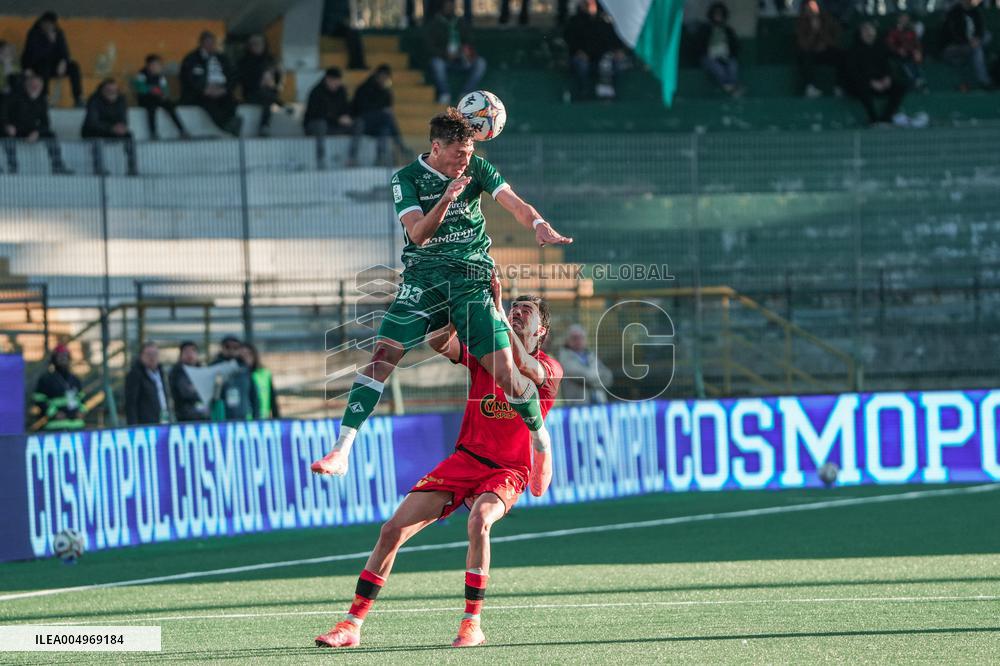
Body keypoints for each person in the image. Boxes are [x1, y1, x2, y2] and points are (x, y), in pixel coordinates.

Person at [310, 108, 572, 479]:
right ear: (436, 148)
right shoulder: (406, 178)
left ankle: (541, 441)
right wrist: (446, 198)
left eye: (469, 154)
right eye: (459, 155)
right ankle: (341, 450)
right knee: (382, 355)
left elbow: (516, 205)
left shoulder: (477, 169)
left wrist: (539, 224)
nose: (466, 161)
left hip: (471, 280)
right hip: (424, 279)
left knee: (508, 377)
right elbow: (417, 234)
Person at [312, 293, 562, 649]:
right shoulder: (485, 356)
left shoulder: (550, 367)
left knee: (480, 520)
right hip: (466, 460)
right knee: (392, 530)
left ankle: (471, 624)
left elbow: (525, 367)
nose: (517, 314)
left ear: (542, 330)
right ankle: (352, 624)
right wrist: (456, 308)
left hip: (508, 470)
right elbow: (439, 341)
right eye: (514, 309)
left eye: (527, 312)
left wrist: (497, 318)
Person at [1, 73, 72, 175]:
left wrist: (37, 132)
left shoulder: (42, 100)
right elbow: (3, 113)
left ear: (41, 86)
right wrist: (7, 126)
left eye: (37, 85)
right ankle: (12, 167)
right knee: (6, 136)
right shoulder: (14, 96)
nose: (34, 87)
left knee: (51, 135)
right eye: (32, 85)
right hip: (13, 129)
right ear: (26, 85)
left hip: (31, 131)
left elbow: (46, 123)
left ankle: (57, 166)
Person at [844, 22, 907, 127]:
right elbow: (853, 72)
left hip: (881, 83)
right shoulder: (853, 50)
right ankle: (873, 120)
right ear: (860, 34)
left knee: (900, 86)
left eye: (871, 30)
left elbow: (887, 64)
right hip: (862, 84)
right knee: (861, 87)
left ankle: (886, 119)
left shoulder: (881, 46)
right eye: (865, 31)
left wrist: (887, 78)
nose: (869, 33)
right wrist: (870, 82)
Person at [424, 0, 487, 105]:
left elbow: (470, 41)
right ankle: (444, 93)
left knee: (481, 63)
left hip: (462, 59)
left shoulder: (460, 22)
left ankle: (465, 94)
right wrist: (445, 54)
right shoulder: (435, 24)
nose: (450, 7)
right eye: (447, 4)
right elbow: (429, 47)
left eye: (452, 4)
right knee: (436, 63)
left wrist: (465, 51)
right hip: (444, 60)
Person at [180, 31, 242, 136]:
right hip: (200, 94)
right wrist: (204, 88)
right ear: (201, 43)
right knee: (210, 104)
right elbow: (188, 78)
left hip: (222, 91)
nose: (211, 45)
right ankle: (225, 125)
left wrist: (224, 89)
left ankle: (231, 123)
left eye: (212, 43)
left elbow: (232, 76)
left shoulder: (222, 58)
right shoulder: (192, 59)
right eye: (208, 42)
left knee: (231, 102)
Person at [564, 0, 626, 100]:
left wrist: (617, 50)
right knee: (582, 64)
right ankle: (584, 92)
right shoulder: (575, 21)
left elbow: (613, 40)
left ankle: (611, 92)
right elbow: (570, 40)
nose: (589, 6)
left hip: (601, 57)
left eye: (592, 4)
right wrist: (578, 52)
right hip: (581, 57)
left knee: (614, 63)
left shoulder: (604, 22)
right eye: (586, 4)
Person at [348, 65, 408, 166]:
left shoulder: (386, 91)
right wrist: (381, 111)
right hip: (363, 121)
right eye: (384, 77)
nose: (385, 80)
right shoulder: (364, 88)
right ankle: (401, 147)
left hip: (379, 123)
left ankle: (380, 158)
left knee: (385, 128)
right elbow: (360, 108)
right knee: (387, 118)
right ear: (378, 76)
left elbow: (388, 108)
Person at [20, 11, 82, 107]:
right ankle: (44, 98)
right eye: (47, 24)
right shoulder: (34, 33)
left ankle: (78, 98)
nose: (49, 27)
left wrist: (64, 62)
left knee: (74, 67)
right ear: (42, 23)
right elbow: (35, 55)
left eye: (51, 24)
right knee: (45, 65)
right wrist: (50, 43)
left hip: (55, 67)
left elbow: (65, 51)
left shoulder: (58, 32)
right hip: (37, 66)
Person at [81, 78, 138, 176]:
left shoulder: (121, 99)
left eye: (115, 90)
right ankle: (98, 169)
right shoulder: (94, 100)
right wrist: (111, 128)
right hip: (94, 130)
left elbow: (124, 117)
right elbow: (93, 122)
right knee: (96, 138)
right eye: (109, 90)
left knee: (129, 136)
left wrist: (122, 126)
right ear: (102, 90)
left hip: (113, 130)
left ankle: (132, 168)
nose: (112, 93)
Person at [304, 67, 353, 169]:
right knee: (321, 124)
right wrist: (337, 119)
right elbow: (317, 114)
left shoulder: (341, 90)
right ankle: (321, 159)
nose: (337, 84)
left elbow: (346, 107)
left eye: (339, 81)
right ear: (328, 79)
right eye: (335, 81)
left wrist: (347, 116)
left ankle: (352, 157)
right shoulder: (316, 92)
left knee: (358, 123)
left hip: (334, 126)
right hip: (315, 126)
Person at [133, 54, 189, 139]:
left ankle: (182, 130)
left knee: (170, 106)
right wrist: (152, 89)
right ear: (150, 66)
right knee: (151, 109)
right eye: (156, 65)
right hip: (145, 99)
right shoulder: (142, 74)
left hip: (158, 98)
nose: (158, 67)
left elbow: (165, 88)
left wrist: (164, 95)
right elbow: (140, 88)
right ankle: (153, 133)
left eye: (159, 65)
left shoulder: (160, 76)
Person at [795, 0, 844, 98]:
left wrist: (822, 37)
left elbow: (836, 36)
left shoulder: (827, 19)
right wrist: (813, 32)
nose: (812, 9)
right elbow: (803, 44)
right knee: (804, 56)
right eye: (809, 7)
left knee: (841, 55)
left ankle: (839, 86)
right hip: (810, 52)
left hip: (825, 51)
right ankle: (810, 87)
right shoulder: (801, 22)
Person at [238, 34, 283, 137]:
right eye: (254, 44)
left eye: (259, 44)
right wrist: (259, 81)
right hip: (252, 93)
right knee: (266, 98)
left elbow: (278, 78)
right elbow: (244, 81)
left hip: (269, 92)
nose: (257, 46)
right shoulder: (244, 62)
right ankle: (265, 125)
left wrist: (272, 83)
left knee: (267, 97)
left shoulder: (271, 60)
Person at [32, 344, 85, 430]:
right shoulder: (46, 379)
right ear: (54, 359)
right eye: (60, 356)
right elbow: (39, 399)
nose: (63, 359)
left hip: (77, 426)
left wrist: (81, 411)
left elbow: (82, 397)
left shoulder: (75, 379)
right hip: (56, 427)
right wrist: (54, 413)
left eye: (65, 356)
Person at [695, 2, 743, 97]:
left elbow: (735, 46)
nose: (718, 16)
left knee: (733, 66)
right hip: (709, 57)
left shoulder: (728, 30)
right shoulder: (705, 29)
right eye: (716, 14)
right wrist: (711, 53)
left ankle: (732, 85)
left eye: (720, 14)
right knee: (718, 69)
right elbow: (699, 46)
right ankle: (730, 88)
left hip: (725, 56)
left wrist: (726, 55)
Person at [557, 324, 613, 403]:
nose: (578, 340)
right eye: (574, 338)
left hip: (600, 406)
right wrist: (598, 378)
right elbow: (585, 377)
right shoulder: (564, 357)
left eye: (581, 337)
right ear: (567, 340)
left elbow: (608, 377)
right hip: (578, 408)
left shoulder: (591, 355)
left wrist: (591, 378)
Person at [942, 0, 991, 90]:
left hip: (972, 44)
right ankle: (984, 81)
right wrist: (968, 42)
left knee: (986, 38)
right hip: (954, 47)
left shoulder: (975, 11)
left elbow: (980, 28)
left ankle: (982, 81)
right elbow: (952, 33)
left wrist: (977, 39)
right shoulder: (954, 12)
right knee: (977, 51)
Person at [210, 335, 258, 421]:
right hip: (221, 418)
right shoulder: (213, 368)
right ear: (222, 348)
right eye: (227, 346)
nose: (231, 350)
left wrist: (256, 417)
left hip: (243, 417)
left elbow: (253, 395)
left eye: (235, 347)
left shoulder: (244, 368)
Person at [124, 341, 171, 425]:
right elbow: (131, 403)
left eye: (155, 354)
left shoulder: (160, 373)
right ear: (141, 356)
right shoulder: (135, 374)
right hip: (146, 424)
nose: (152, 358)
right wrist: (133, 426)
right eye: (149, 354)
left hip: (163, 420)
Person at [170, 341, 211, 422]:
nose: (190, 355)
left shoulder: (203, 371)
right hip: (184, 419)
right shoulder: (176, 372)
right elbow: (185, 393)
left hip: (204, 417)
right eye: (186, 352)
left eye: (193, 351)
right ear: (181, 355)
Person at [240, 342, 281, 419]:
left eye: (249, 354)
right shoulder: (237, 376)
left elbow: (272, 398)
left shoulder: (265, 373)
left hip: (262, 419)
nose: (246, 358)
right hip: (244, 421)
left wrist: (277, 418)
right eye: (243, 355)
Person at [323, 0, 367, 69]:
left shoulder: (345, 2)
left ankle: (359, 63)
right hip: (329, 28)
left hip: (340, 26)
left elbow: (349, 14)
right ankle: (354, 63)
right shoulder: (329, 2)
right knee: (351, 33)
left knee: (354, 33)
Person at [887, 13, 925, 91]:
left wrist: (918, 51)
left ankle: (919, 80)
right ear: (899, 19)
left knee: (915, 60)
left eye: (907, 18)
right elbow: (890, 44)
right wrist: (898, 50)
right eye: (903, 18)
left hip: (910, 54)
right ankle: (915, 81)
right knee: (905, 63)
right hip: (898, 55)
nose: (905, 20)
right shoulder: (893, 30)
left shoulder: (911, 31)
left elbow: (916, 43)